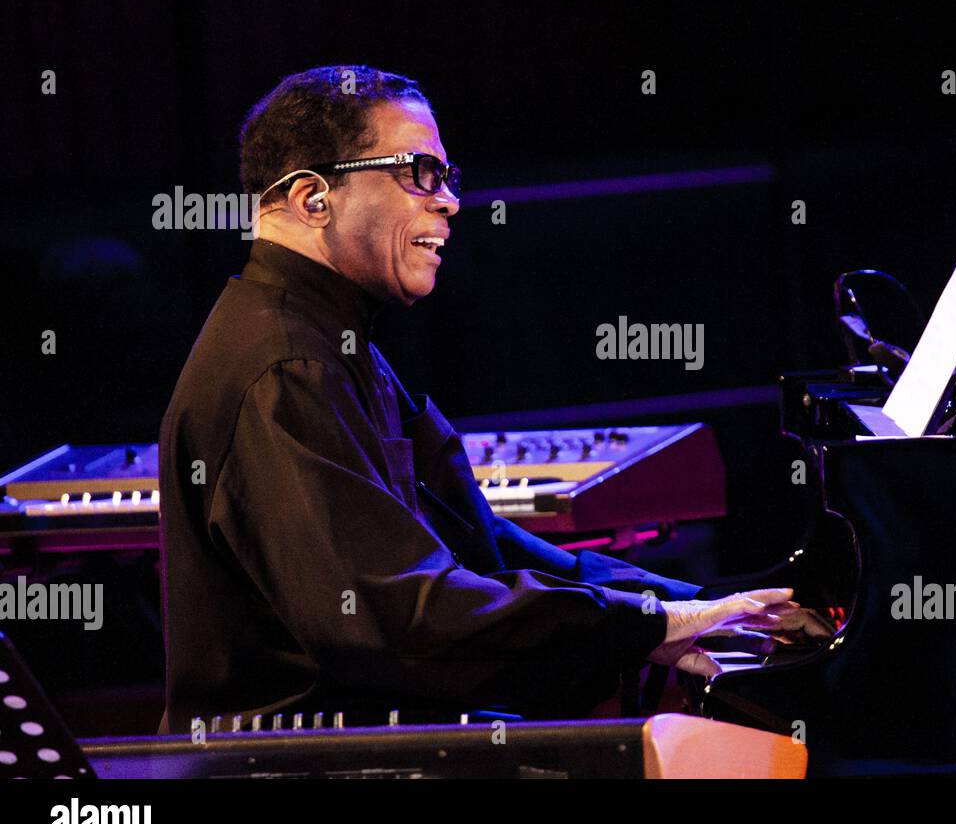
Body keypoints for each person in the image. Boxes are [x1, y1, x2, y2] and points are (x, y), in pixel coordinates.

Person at [158, 66, 812, 734]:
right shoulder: (285, 365)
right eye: (418, 172)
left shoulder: (328, 341)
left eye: (446, 177)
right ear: (312, 198)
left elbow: (477, 545)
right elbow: (399, 619)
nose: (448, 202)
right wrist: (649, 624)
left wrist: (689, 604)